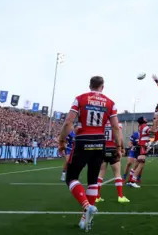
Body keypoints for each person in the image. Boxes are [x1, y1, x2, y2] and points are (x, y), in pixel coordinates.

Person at [58, 76, 123, 232]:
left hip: (82, 141)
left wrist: (61, 140)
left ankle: (86, 207)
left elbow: (68, 122)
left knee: (71, 177)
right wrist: (119, 147)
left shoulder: (80, 99)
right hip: (99, 143)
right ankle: (84, 218)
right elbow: (115, 127)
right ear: (102, 86)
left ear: (90, 85)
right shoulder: (110, 103)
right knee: (93, 179)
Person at [95, 121, 129, 203]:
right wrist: (122, 148)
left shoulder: (100, 123)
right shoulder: (116, 123)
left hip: (102, 149)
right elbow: (119, 136)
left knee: (100, 173)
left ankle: (97, 196)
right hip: (113, 149)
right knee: (117, 173)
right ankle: (120, 196)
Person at [127, 117, 150, 188]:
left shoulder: (141, 127)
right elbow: (152, 131)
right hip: (141, 147)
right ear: (143, 121)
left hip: (139, 147)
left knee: (136, 164)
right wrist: (156, 123)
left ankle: (130, 180)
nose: (146, 118)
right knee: (141, 163)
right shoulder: (144, 127)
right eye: (144, 118)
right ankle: (133, 181)